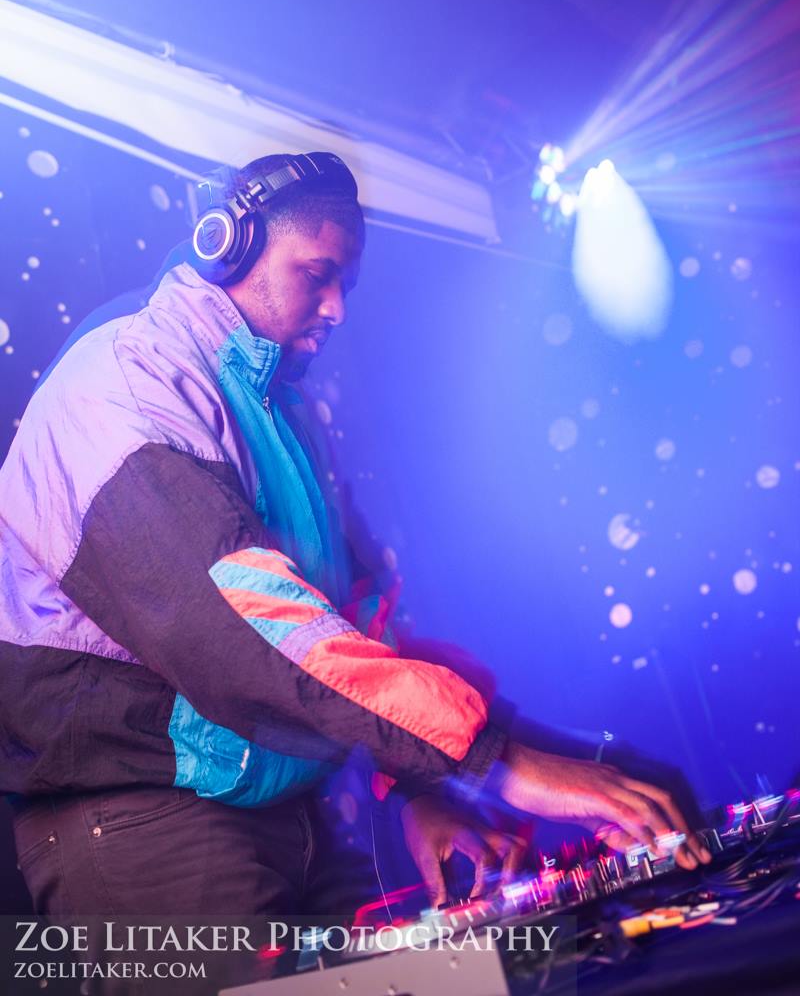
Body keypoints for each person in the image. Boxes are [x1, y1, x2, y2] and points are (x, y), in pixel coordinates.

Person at [0, 151, 710, 929]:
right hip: (147, 821)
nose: (337, 307)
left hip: (289, 812)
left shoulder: (282, 408)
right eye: (318, 274)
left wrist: (419, 786)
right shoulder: (125, 388)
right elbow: (249, 633)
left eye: (348, 283)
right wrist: (499, 763)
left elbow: (353, 619)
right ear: (227, 247)